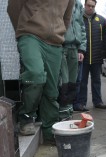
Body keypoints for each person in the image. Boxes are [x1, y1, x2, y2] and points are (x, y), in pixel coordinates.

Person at [7, 0, 74, 141]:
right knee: (35, 75)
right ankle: (26, 116)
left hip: (55, 41)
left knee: (52, 88)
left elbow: (67, 17)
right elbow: (13, 7)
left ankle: (50, 129)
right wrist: (23, 28)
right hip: (31, 35)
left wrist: (58, 32)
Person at [73, 0, 106, 111]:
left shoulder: (101, 20)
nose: (90, 8)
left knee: (96, 80)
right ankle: (81, 103)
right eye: (88, 5)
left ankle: (98, 101)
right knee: (82, 81)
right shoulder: (78, 18)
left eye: (93, 6)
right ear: (85, 5)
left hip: (97, 57)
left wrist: (104, 53)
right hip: (83, 56)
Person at [59, 0, 87, 120]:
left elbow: (81, 26)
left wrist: (81, 48)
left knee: (72, 81)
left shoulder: (79, 4)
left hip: (75, 48)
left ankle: (68, 109)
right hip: (61, 45)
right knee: (62, 80)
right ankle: (62, 110)